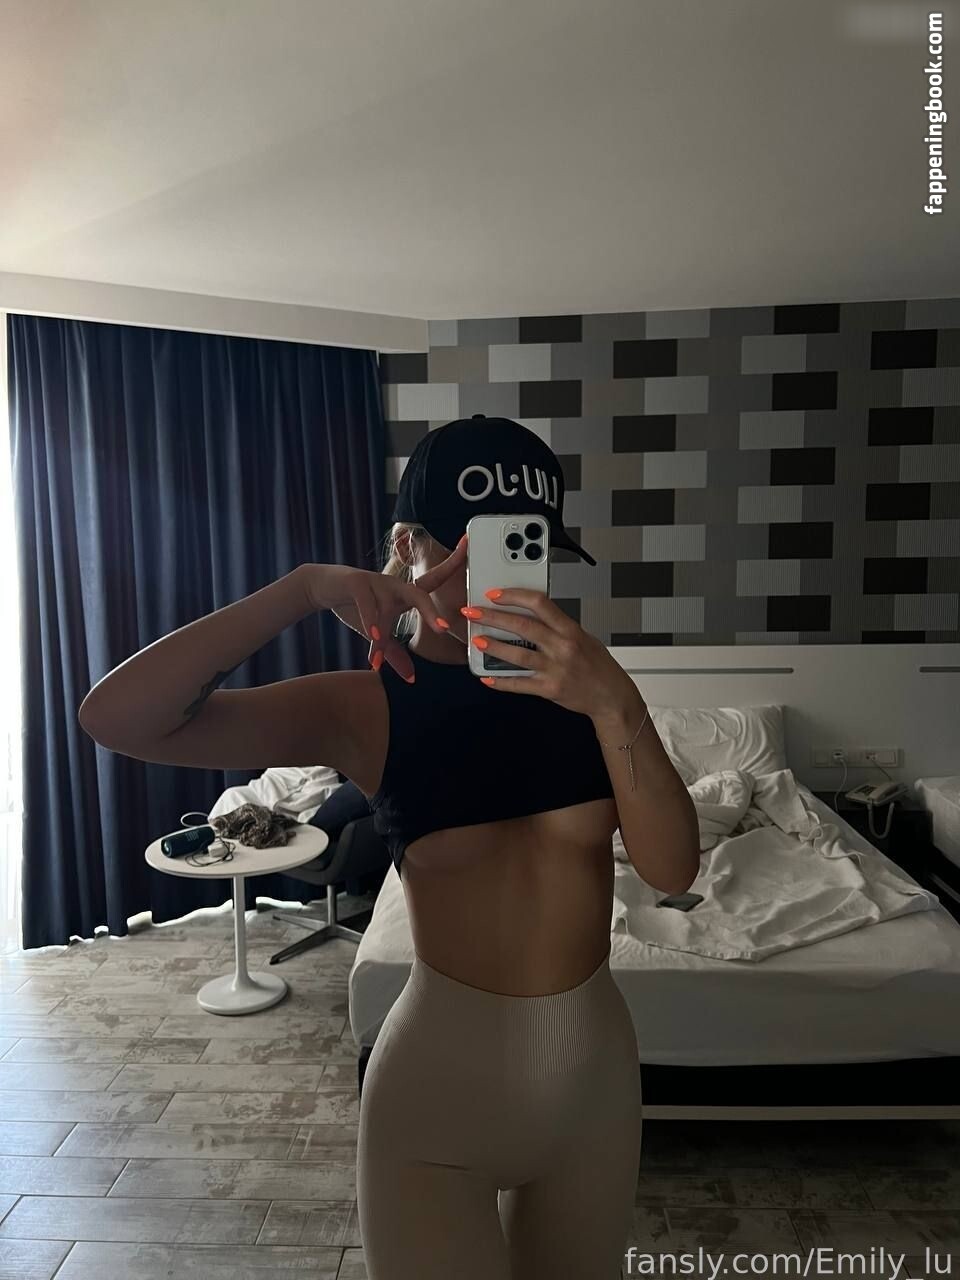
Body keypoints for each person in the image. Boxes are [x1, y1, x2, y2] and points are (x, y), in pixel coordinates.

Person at [78, 413, 700, 1280]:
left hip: (595, 1088)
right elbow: (119, 718)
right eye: (478, 549)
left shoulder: (588, 693)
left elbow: (673, 870)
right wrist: (300, 589)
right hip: (436, 1102)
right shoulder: (369, 705)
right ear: (410, 546)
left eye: (529, 549)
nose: (510, 578)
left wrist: (615, 701)